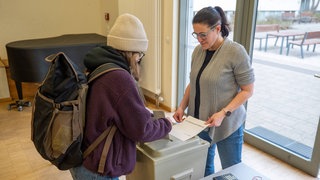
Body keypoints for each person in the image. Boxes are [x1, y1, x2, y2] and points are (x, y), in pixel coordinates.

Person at [69, 13, 172, 180]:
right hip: (98, 168)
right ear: (131, 52)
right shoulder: (120, 78)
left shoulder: (99, 65)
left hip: (85, 157)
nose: (139, 59)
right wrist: (166, 123)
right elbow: (141, 130)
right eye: (140, 54)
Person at [173, 6, 255, 176]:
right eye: (196, 34)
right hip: (199, 122)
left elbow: (248, 90)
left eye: (203, 35)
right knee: (204, 168)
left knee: (231, 171)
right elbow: (193, 82)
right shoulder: (198, 51)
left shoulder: (236, 52)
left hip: (226, 124)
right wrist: (182, 107)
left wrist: (223, 113)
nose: (199, 40)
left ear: (217, 29)